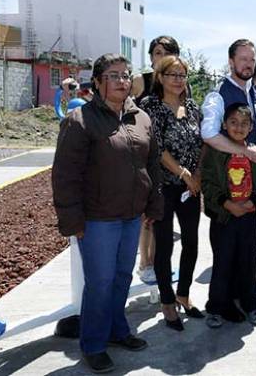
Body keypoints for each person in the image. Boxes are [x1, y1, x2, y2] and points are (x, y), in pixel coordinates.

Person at [52, 53, 164, 373]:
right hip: (97, 219)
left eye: (126, 75)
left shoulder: (140, 117)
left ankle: (117, 331)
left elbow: (152, 164)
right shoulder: (79, 121)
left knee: (121, 278)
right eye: (113, 76)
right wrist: (72, 220)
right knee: (99, 282)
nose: (121, 81)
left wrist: (153, 203)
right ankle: (93, 344)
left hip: (131, 216)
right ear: (98, 83)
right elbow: (65, 175)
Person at [141, 55, 204, 331]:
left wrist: (196, 176)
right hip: (164, 186)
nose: (178, 80)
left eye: (182, 75)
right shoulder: (151, 106)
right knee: (164, 246)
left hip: (191, 188)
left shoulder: (192, 106)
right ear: (161, 77)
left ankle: (184, 294)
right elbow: (156, 147)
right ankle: (167, 301)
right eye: (173, 75)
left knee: (191, 242)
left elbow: (200, 144)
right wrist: (183, 174)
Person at [202, 103, 256, 327]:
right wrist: (226, 203)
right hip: (224, 217)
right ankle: (216, 308)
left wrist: (253, 201)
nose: (238, 127)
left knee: (249, 261)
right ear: (224, 124)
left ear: (251, 127)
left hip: (249, 216)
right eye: (233, 122)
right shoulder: (216, 150)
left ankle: (250, 303)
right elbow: (208, 183)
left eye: (244, 123)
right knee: (223, 263)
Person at [133, 36, 181, 287]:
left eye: (168, 52)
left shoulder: (179, 84)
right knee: (148, 216)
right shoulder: (143, 81)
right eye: (158, 52)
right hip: (146, 154)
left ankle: (159, 261)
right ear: (151, 56)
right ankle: (145, 263)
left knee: (164, 216)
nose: (161, 57)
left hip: (171, 159)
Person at [201, 39, 256, 164]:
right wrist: (245, 151)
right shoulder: (218, 94)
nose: (248, 64)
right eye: (243, 59)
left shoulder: (252, 91)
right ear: (231, 62)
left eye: (252, 60)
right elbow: (208, 134)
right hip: (227, 174)